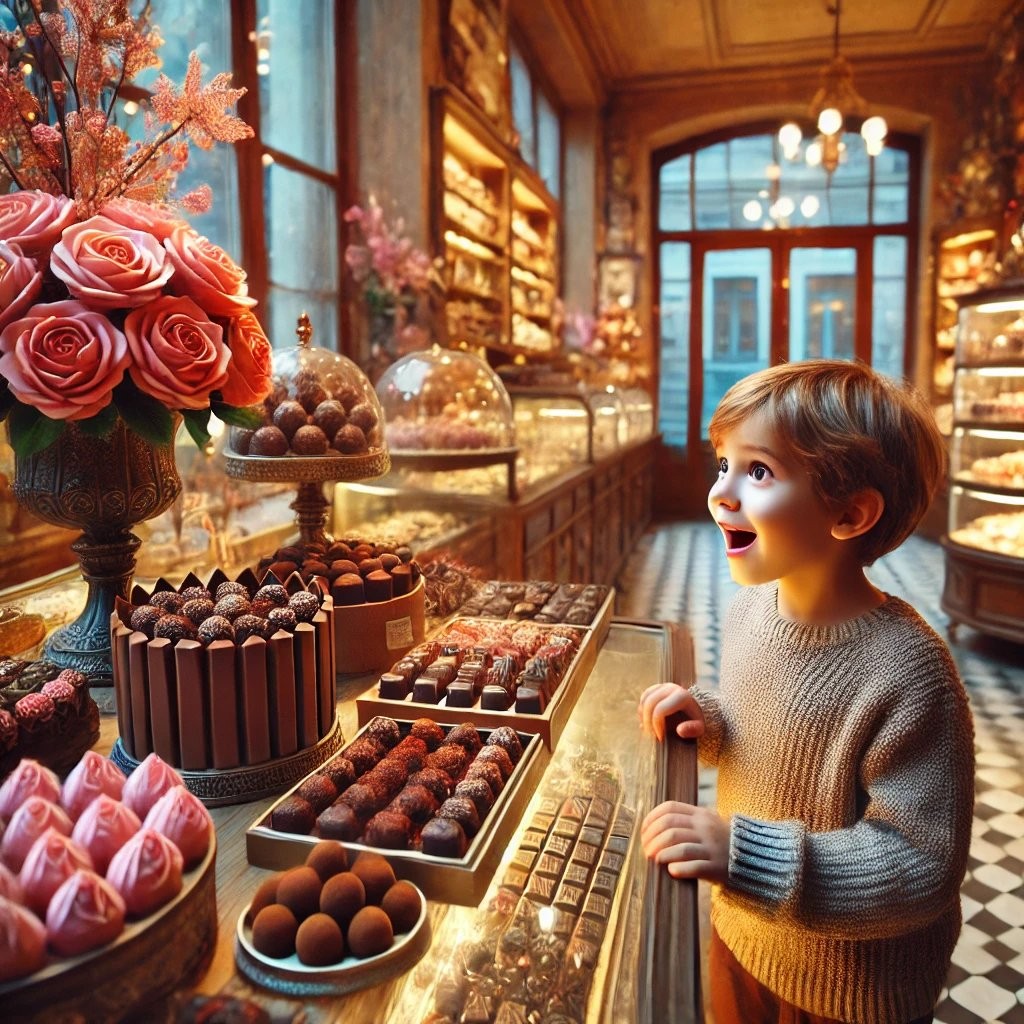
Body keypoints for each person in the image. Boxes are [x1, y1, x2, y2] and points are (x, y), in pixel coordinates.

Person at [638, 359, 975, 1024]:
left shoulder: (910, 673)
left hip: (849, 994)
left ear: (850, 514)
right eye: (722, 464)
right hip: (742, 935)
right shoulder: (749, 612)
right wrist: (708, 719)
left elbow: (921, 862)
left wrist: (744, 853)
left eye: (757, 471)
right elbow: (766, 724)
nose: (721, 493)